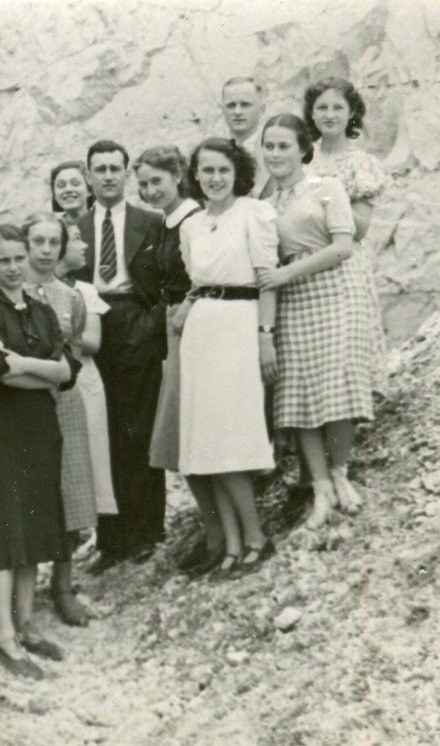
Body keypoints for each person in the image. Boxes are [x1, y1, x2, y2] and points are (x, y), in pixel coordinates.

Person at [0, 225, 78, 679]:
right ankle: (3, 635)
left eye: (19, 258)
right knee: (4, 526)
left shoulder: (42, 309)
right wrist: (42, 371)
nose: (14, 267)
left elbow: (66, 372)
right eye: (5, 260)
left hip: (39, 426)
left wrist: (28, 364)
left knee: (34, 525)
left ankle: (26, 624)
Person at [172, 137, 277, 577]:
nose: (215, 179)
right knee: (206, 439)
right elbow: (197, 281)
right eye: (207, 170)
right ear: (195, 175)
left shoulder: (254, 213)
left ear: (237, 175)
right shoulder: (191, 225)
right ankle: (231, 545)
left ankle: (256, 537)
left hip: (239, 325)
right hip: (201, 330)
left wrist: (265, 336)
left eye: (223, 171)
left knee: (231, 437)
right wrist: (186, 307)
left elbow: (267, 280)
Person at [258, 113, 361, 527]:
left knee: (334, 385)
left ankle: (341, 475)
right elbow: (266, 270)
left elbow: (343, 247)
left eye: (284, 145)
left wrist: (287, 273)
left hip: (330, 292)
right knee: (298, 394)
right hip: (290, 303)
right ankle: (319, 489)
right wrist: (265, 330)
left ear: (304, 149)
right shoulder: (263, 207)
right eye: (269, 146)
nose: (276, 154)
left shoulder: (326, 188)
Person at [300, 77, 391, 513]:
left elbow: (359, 228)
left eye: (338, 107)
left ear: (351, 113)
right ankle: (313, 480)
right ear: (311, 115)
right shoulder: (303, 162)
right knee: (309, 371)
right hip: (304, 275)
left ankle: (340, 470)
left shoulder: (361, 164)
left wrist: (312, 218)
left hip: (344, 271)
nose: (330, 115)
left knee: (341, 366)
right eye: (322, 108)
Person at [76, 139, 167, 572]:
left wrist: (151, 326)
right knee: (99, 431)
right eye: (100, 169)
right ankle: (110, 540)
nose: (108, 176)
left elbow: (169, 278)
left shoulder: (151, 221)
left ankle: (147, 532)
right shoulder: (74, 226)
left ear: (127, 173)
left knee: (138, 429)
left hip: (136, 321)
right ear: (88, 174)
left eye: (116, 168)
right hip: (91, 325)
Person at [133, 145, 223, 572]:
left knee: (196, 434)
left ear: (178, 176)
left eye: (158, 181)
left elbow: (206, 276)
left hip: (195, 326)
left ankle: (222, 535)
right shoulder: (165, 222)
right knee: (180, 439)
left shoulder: (194, 218)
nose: (151, 191)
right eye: (145, 184)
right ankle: (215, 533)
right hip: (171, 329)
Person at [22, 213, 97, 627]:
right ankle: (19, 589)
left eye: (55, 242)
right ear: (26, 243)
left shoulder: (71, 296)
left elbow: (74, 347)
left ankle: (63, 587)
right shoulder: (11, 290)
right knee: (27, 494)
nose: (47, 250)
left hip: (65, 401)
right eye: (39, 241)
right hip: (22, 403)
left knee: (71, 491)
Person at [55, 221, 117, 524]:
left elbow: (92, 341)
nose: (84, 246)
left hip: (82, 378)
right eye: (76, 239)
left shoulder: (83, 290)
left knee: (83, 466)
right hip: (49, 379)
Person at [220, 76, 271, 198]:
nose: (237, 112)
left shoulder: (272, 150)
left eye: (245, 104)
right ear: (222, 110)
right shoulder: (217, 152)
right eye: (231, 105)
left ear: (262, 109)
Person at [50, 161, 94, 225]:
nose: (68, 189)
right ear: (54, 196)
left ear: (89, 190)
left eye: (75, 183)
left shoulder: (103, 225)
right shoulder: (51, 230)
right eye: (61, 185)